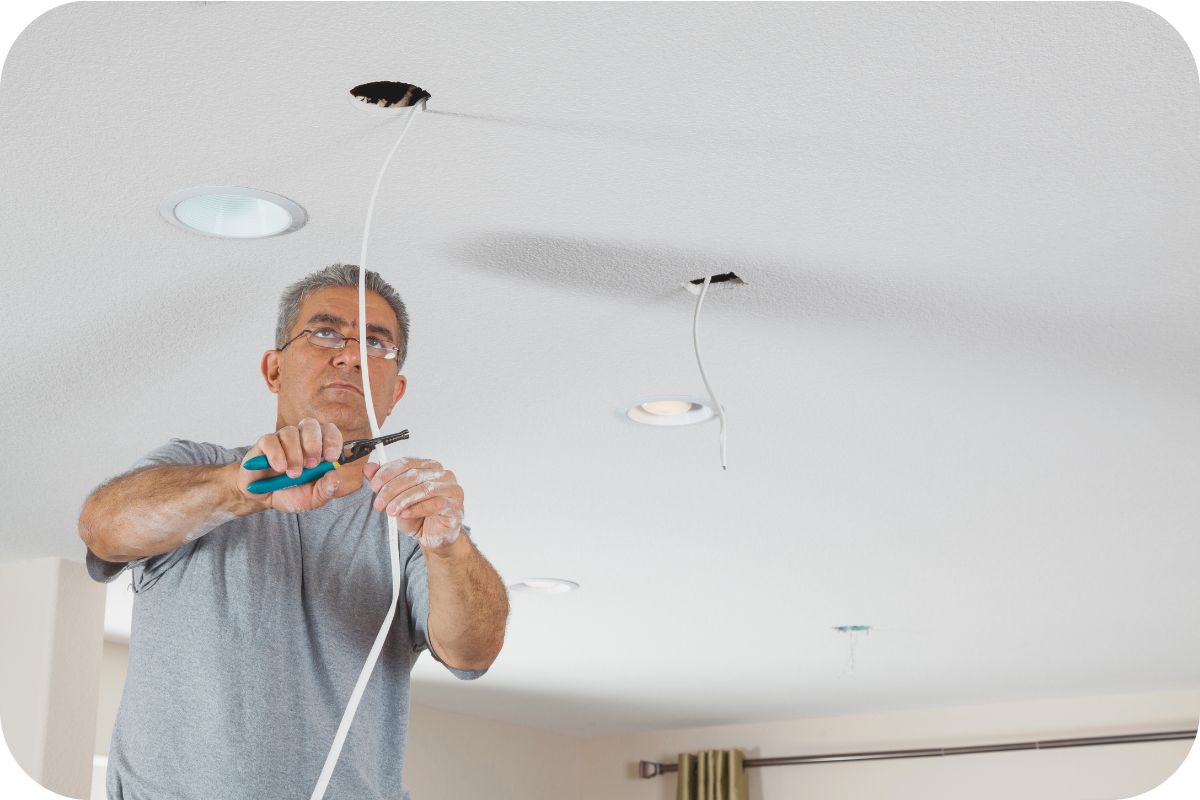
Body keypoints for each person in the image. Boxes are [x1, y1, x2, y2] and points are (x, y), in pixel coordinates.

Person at [78, 263, 509, 799]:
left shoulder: (412, 520)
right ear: (274, 369)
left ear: (394, 392)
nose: (350, 354)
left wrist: (450, 547)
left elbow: (474, 652)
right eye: (325, 332)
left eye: (377, 343)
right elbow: (102, 528)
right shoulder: (199, 468)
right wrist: (240, 490)